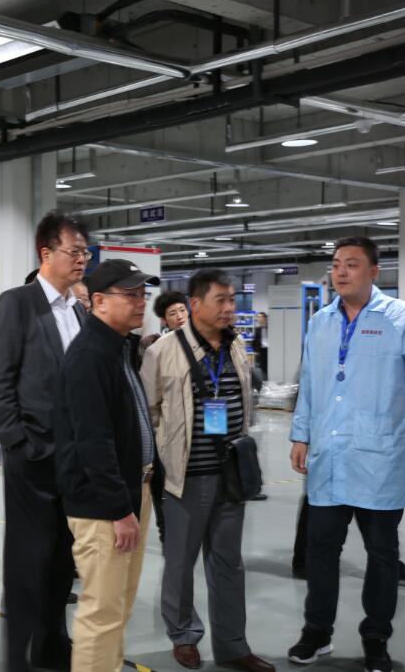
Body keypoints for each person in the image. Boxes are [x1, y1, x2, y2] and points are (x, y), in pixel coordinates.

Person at [286, 236, 405, 672]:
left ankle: (376, 639)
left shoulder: (402, 318)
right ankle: (316, 632)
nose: (340, 272)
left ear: (374, 271)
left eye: (352, 264)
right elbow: (311, 384)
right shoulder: (320, 322)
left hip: (379, 460)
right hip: (329, 457)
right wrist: (300, 434)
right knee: (321, 551)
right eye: (336, 264)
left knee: (381, 556)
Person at [140, 270, 274, 672]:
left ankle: (233, 646)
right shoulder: (163, 351)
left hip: (231, 475)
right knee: (181, 563)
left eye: (232, 300)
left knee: (229, 563)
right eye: (221, 300)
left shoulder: (236, 345)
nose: (230, 308)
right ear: (195, 304)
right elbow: (148, 412)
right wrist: (156, 464)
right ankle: (183, 635)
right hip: (186, 477)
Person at [0, 210, 90, 672]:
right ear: (46, 253)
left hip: (72, 459)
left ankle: (51, 642)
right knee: (27, 562)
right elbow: (1, 378)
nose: (82, 260)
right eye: (75, 251)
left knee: (62, 560)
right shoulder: (18, 303)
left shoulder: (78, 311)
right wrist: (17, 442)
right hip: (33, 456)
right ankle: (17, 657)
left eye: (86, 252)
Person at [54, 259, 159, 672]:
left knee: (119, 607)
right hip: (103, 507)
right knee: (102, 613)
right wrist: (119, 510)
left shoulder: (118, 348)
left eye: (143, 294)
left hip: (130, 494)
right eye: (130, 295)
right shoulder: (89, 357)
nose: (140, 302)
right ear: (99, 301)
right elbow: (93, 443)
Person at [250, 312, 268, 380]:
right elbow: (254, 342)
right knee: (263, 368)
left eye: (260, 317)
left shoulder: (270, 328)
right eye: (258, 317)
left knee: (270, 367)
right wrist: (256, 350)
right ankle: (264, 381)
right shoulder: (257, 329)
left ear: (264, 318)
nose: (258, 319)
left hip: (270, 351)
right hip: (262, 351)